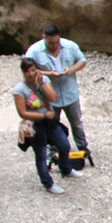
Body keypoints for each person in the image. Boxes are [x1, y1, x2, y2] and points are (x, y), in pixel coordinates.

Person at [25, 25, 90, 163]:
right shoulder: (34, 51)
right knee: (51, 125)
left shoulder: (70, 46)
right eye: (50, 43)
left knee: (76, 122)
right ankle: (53, 150)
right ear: (43, 37)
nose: (54, 45)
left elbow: (82, 60)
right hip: (49, 97)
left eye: (57, 42)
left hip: (69, 93)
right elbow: (28, 70)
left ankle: (82, 147)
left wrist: (71, 69)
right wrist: (48, 74)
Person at [13, 57, 76, 194]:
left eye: (33, 70)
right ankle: (48, 183)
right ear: (23, 72)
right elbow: (22, 113)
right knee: (41, 155)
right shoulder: (20, 89)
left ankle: (66, 169)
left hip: (49, 123)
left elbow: (53, 98)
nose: (31, 74)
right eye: (27, 71)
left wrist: (42, 84)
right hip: (36, 125)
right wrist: (43, 115)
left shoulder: (44, 81)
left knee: (64, 145)